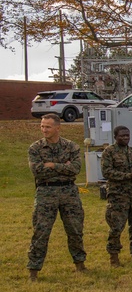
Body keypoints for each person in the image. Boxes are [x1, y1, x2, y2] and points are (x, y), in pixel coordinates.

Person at [27, 114, 87, 278]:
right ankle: (34, 269)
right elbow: (37, 171)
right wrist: (63, 166)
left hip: (69, 192)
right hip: (46, 193)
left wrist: (52, 165)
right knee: (41, 231)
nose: (44, 130)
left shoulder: (71, 146)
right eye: (42, 126)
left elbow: (75, 169)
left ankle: (80, 263)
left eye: (48, 127)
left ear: (58, 128)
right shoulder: (35, 148)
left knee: (75, 229)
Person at [101, 125, 132, 265]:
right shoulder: (109, 152)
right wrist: (129, 175)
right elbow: (107, 172)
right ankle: (114, 256)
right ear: (115, 137)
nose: (125, 138)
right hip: (118, 193)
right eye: (122, 136)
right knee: (116, 225)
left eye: (127, 135)